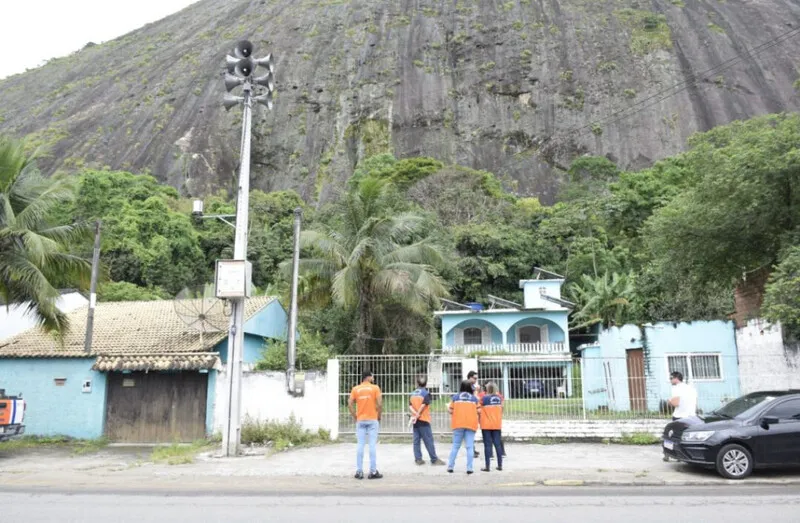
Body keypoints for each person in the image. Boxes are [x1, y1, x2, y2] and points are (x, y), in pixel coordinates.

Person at [348, 370, 383, 480]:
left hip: (361, 420)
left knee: (360, 445)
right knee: (372, 445)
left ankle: (359, 472)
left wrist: (355, 416)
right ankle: (373, 471)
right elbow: (380, 404)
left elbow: (349, 403)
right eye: (372, 376)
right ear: (368, 377)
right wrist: (379, 415)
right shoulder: (375, 388)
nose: (373, 378)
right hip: (372, 419)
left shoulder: (356, 389)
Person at [409, 375, 446, 466]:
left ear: (417, 383)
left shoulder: (412, 393)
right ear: (426, 383)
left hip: (415, 420)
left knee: (416, 440)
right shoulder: (426, 394)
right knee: (428, 440)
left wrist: (415, 415)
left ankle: (418, 459)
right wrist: (418, 414)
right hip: (424, 420)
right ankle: (434, 459)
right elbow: (423, 405)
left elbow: (410, 406)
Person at [447, 380, 480, 474]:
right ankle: (469, 468)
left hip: (458, 424)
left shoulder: (455, 397)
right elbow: (479, 411)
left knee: (455, 446)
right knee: (469, 447)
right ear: (470, 387)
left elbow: (450, 410)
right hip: (471, 424)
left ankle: (450, 467)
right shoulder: (474, 399)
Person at [663, 371, 697, 462]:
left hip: (679, 416)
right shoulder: (690, 388)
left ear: (676, 378)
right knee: (686, 437)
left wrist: (669, 401)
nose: (670, 380)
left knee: (671, 435)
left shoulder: (676, 388)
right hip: (691, 416)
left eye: (671, 378)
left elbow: (676, 403)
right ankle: (684, 455)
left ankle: (668, 454)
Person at [479, 382, 504, 472]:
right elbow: (502, 410)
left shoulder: (484, 398)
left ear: (487, 389)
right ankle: (500, 465)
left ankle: (487, 466)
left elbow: (478, 408)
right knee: (498, 445)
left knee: (487, 445)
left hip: (486, 424)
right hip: (497, 424)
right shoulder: (499, 398)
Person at [467, 371, 481, 459]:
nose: (476, 380)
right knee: (469, 432)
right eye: (474, 378)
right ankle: (471, 450)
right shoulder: (467, 386)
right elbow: (473, 399)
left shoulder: (472, 386)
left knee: (471, 432)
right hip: (468, 411)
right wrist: (476, 392)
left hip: (472, 411)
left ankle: (472, 449)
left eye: (476, 378)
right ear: (470, 377)